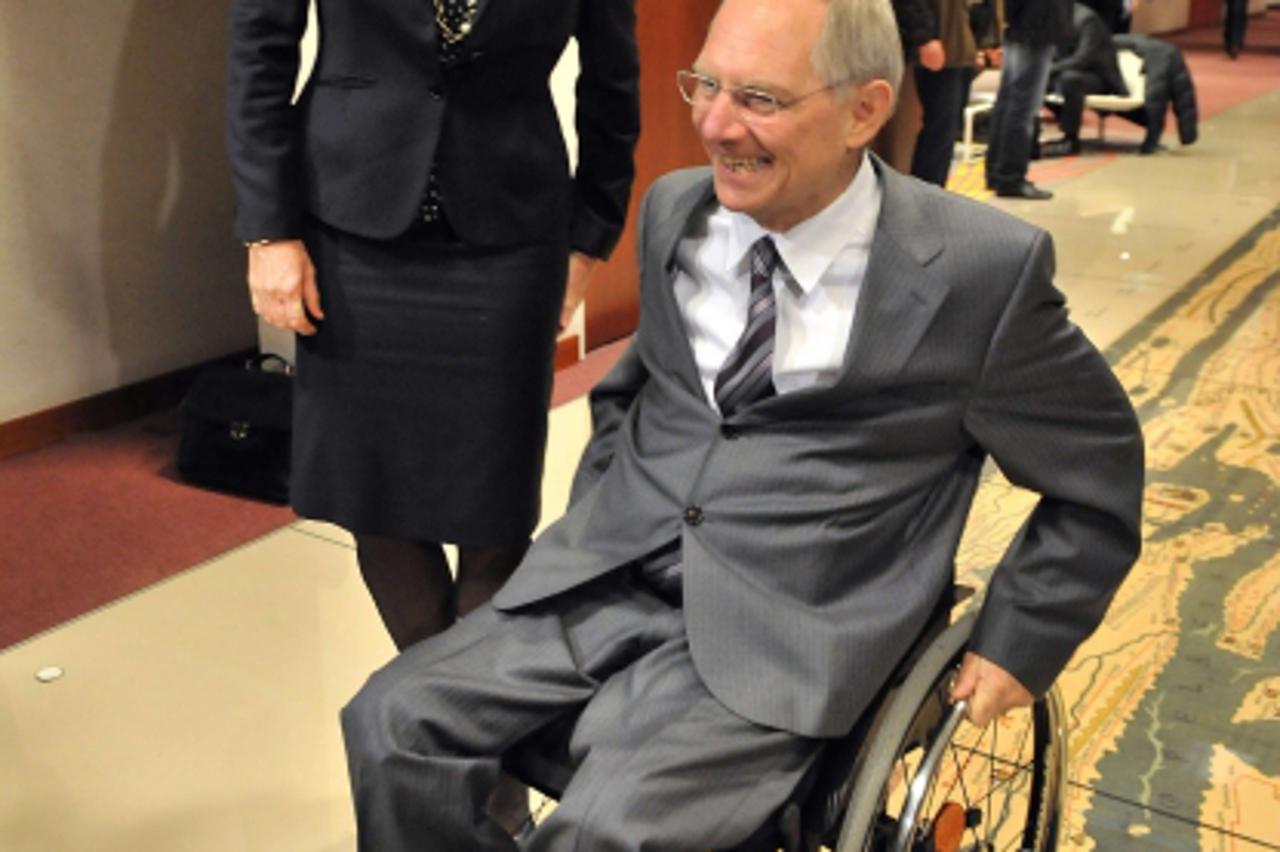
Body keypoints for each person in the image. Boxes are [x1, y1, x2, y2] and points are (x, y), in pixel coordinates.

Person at [341, 0, 1145, 848]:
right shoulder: (676, 210)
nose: (715, 125)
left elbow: (1098, 473)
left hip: (789, 624)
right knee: (390, 723)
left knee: (608, 834)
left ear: (864, 110)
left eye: (760, 99)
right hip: (607, 584)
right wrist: (602, 520)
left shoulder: (978, 274)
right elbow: (636, 392)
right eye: (707, 86)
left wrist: (1020, 638)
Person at [225, 3, 640, 652]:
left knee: (495, 517)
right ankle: (440, 715)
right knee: (377, 503)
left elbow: (613, 79)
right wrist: (268, 229)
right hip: (352, 226)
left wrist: (590, 238)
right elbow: (258, 52)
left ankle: (454, 718)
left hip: (511, 231)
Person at [984, 0, 1073, 199]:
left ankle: (996, 173)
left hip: (1022, 26)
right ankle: (1010, 177)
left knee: (1008, 102)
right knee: (1022, 107)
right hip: (1038, 27)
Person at [1042, 2, 1128, 157]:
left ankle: (1071, 140)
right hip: (1070, 72)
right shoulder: (1057, 19)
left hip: (1098, 77)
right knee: (1034, 80)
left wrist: (1051, 68)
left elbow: (1084, 58)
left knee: (1070, 80)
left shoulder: (1087, 20)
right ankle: (1032, 135)